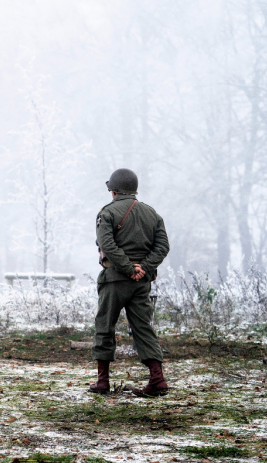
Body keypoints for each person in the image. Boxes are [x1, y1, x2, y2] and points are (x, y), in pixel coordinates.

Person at [89, 168, 170, 397]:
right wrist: (143, 268)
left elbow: (106, 243)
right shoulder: (152, 214)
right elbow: (162, 247)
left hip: (114, 279)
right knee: (143, 328)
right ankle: (157, 379)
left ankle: (102, 381)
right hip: (141, 282)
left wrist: (126, 267)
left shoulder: (107, 213)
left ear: (113, 191)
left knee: (105, 326)